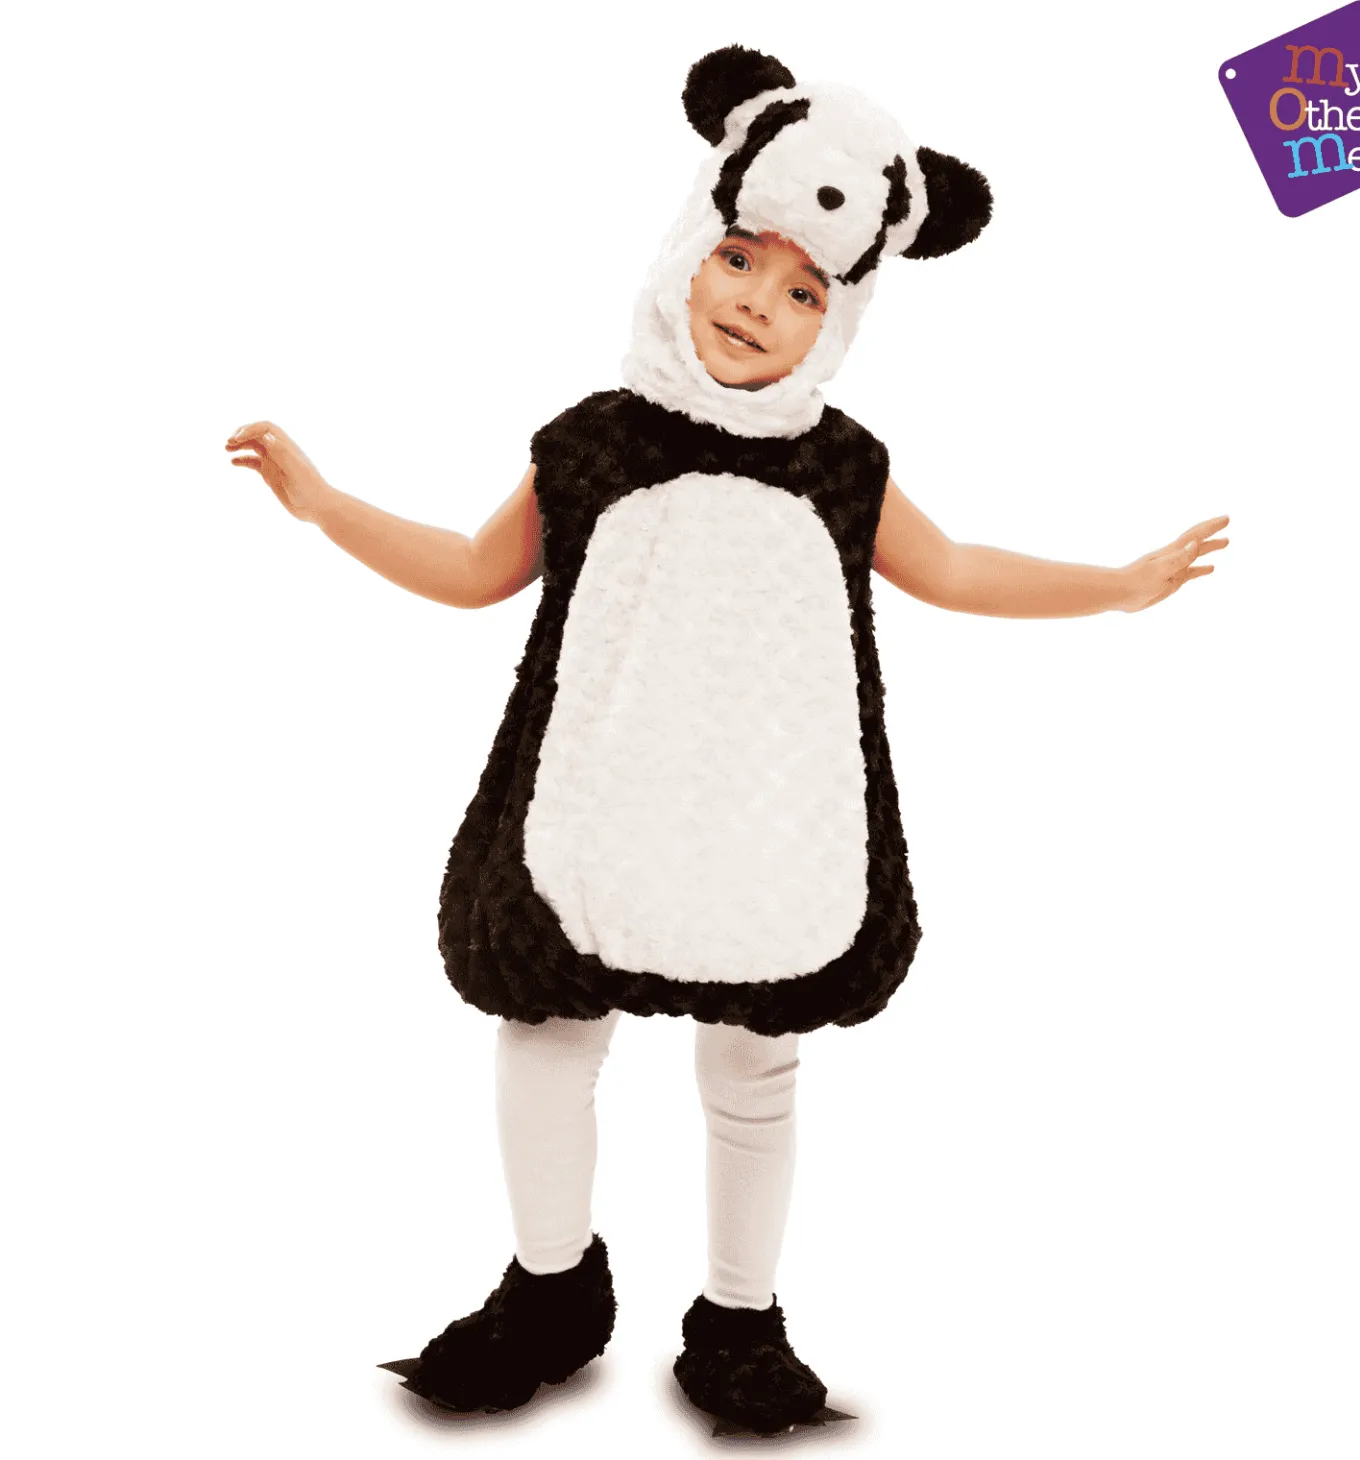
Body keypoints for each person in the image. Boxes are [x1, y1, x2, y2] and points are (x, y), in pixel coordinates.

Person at [224, 46, 1228, 1437]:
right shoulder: (594, 443)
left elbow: (955, 569)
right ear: (686, 253)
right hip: (595, 805)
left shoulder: (841, 466)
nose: (760, 302)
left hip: (773, 824)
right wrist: (328, 505)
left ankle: (740, 1318)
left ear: (845, 316)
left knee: (756, 1063)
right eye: (742, 260)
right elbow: (470, 568)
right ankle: (549, 1285)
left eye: (807, 290)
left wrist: (1116, 584)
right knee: (547, 1027)